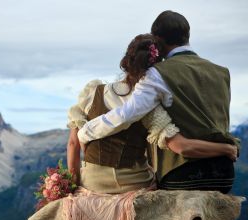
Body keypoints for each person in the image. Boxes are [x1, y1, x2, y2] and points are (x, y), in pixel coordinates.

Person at [76, 11, 239, 193]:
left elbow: (128, 113)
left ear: (158, 41)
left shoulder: (157, 74)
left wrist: (86, 132)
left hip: (184, 174)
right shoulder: (221, 72)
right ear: (187, 35)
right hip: (225, 173)